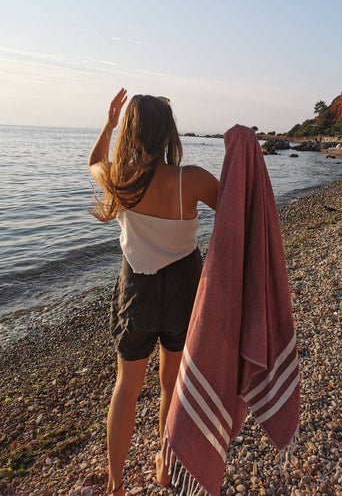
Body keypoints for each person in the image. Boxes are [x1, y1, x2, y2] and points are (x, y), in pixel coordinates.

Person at [88, 89, 219, 495]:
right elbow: (239, 208)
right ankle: (164, 465)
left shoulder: (118, 179)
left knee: (127, 387)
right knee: (170, 384)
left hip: (136, 293)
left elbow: (93, 162)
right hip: (184, 290)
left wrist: (108, 125)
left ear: (130, 132)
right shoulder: (192, 180)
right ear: (168, 134)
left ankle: (115, 482)